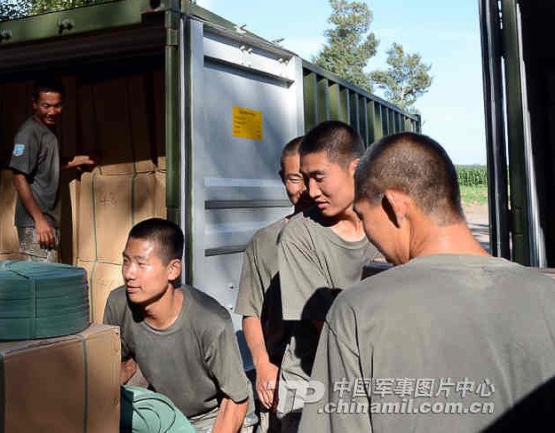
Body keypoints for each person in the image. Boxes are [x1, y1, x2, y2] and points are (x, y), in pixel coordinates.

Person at [300, 133, 555, 433]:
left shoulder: (357, 312)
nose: (369, 233)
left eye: (364, 216)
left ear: (394, 206)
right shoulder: (547, 294)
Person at [104, 218, 255, 432]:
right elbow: (122, 365)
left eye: (141, 263)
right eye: (126, 261)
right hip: (168, 412)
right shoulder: (119, 303)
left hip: (215, 416)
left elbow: (236, 401)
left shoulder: (210, 321)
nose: (129, 273)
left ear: (173, 269)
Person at [275, 121, 379, 429]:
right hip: (314, 386)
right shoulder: (299, 236)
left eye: (319, 178)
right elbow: (329, 327)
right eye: (305, 179)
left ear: (356, 168)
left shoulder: (386, 225)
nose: (310, 191)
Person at [235, 136, 314, 432]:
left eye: (311, 178)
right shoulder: (265, 242)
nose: (305, 189)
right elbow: (250, 311)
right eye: (295, 179)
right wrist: (263, 364)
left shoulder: (353, 237)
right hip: (281, 375)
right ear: (282, 178)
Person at [9, 79, 94, 262]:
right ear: (34, 104)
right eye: (46, 106)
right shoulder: (29, 133)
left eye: (57, 106)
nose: (52, 112)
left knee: (47, 280)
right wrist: (39, 220)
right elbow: (18, 176)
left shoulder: (47, 131)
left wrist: (79, 160)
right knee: (42, 283)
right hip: (36, 223)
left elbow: (46, 164)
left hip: (46, 220)